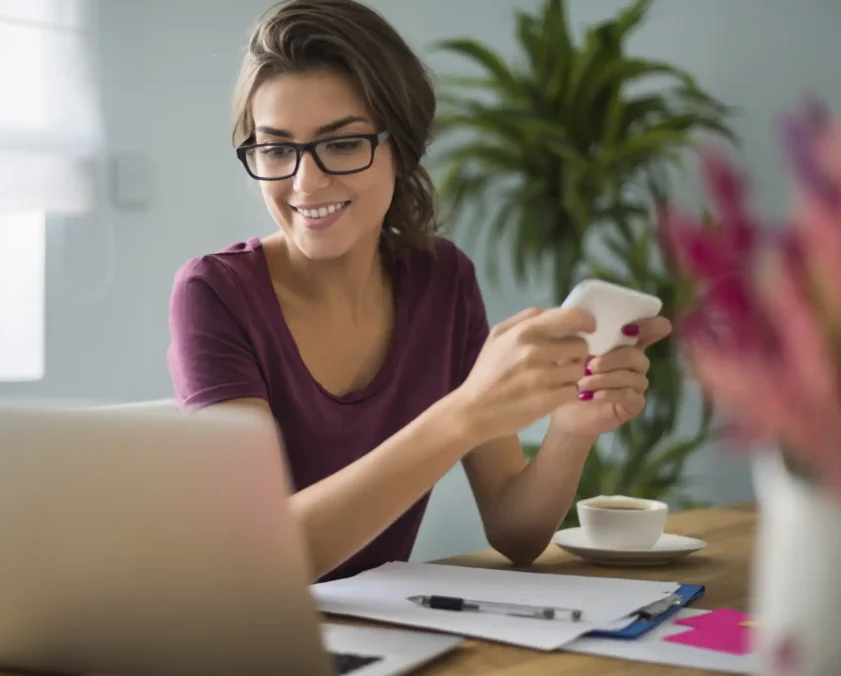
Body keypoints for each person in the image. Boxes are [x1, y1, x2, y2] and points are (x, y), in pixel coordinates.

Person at [166, 0, 671, 583]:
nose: (305, 182)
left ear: (400, 147)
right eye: (277, 148)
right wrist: (463, 415)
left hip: (383, 642)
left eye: (343, 143)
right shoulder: (215, 293)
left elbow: (517, 531)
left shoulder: (442, 281)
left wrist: (572, 429)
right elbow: (264, 557)